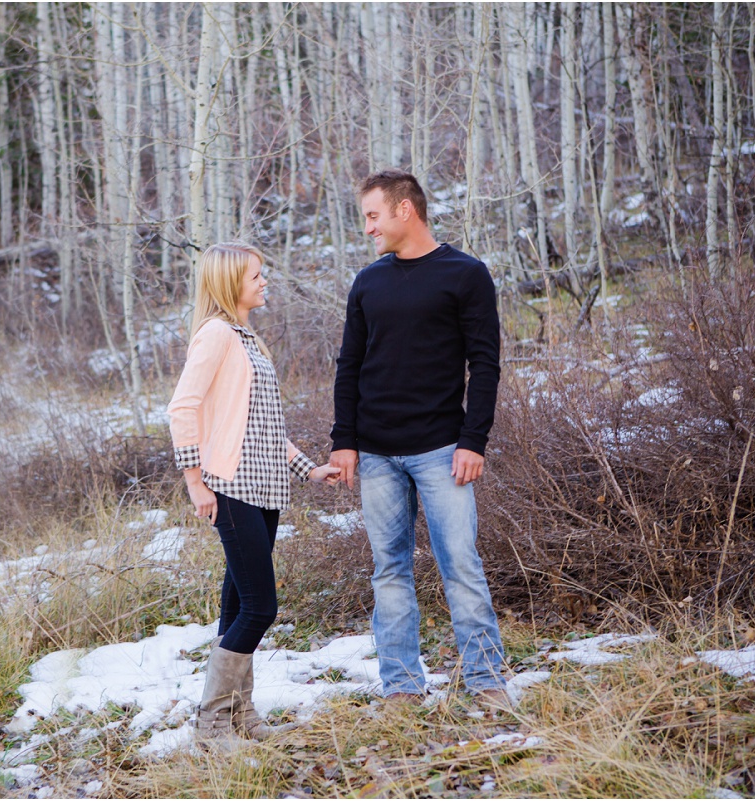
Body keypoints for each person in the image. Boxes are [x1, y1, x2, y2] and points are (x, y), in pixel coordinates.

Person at [329, 170, 510, 708]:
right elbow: (349, 366)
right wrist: (345, 441)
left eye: (372, 216)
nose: (368, 229)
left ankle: (486, 683)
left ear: (404, 210)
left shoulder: (465, 274)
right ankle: (403, 688)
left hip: (442, 450)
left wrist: (473, 440)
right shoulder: (368, 282)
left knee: (461, 564)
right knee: (389, 571)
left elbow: (486, 363)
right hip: (378, 453)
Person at [168, 242, 340, 749]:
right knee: (261, 607)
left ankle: (241, 715)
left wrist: (309, 469)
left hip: (265, 488)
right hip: (231, 487)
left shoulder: (247, 339)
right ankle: (211, 725)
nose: (265, 282)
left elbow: (262, 426)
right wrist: (195, 482)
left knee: (237, 607)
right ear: (229, 284)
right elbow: (182, 408)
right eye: (256, 276)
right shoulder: (217, 334)